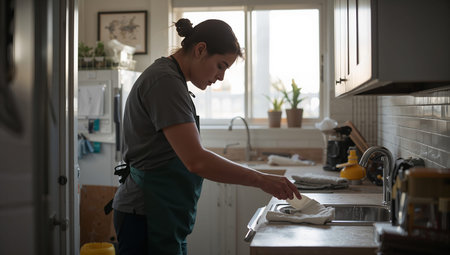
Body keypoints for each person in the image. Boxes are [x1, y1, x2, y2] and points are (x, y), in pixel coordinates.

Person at [112, 18, 301, 255]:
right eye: (220, 65)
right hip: (145, 214)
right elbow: (196, 161)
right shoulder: (165, 81)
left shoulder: (173, 80)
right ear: (200, 49)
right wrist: (261, 179)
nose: (221, 77)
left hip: (160, 213)